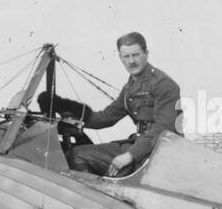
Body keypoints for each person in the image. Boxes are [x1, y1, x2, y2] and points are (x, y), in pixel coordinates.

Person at [67, 33, 182, 176]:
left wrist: (130, 155)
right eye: (126, 57)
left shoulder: (163, 84)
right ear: (121, 58)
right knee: (77, 155)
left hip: (160, 151)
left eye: (136, 55)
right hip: (140, 145)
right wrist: (71, 110)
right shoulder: (130, 88)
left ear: (146, 54)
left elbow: (163, 129)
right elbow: (105, 117)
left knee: (110, 169)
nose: (131, 61)